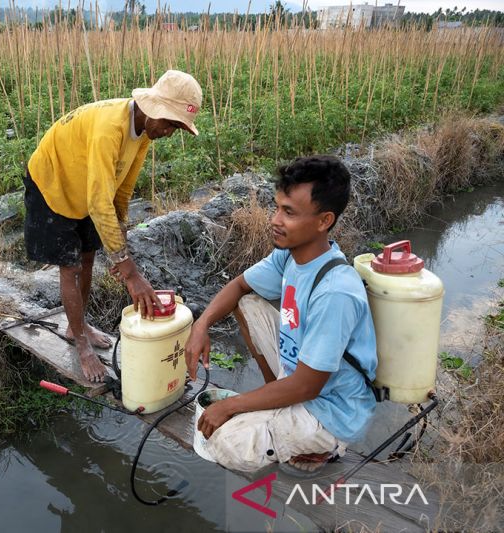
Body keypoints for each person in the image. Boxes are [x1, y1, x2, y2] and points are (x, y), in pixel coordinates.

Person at [184, 155, 378, 474]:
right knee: (246, 301)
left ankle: (320, 449)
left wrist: (230, 406)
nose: (275, 219)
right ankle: (275, 403)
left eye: (288, 212)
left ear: (323, 221)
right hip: (301, 376)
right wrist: (200, 325)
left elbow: (307, 387)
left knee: (221, 442)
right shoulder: (288, 257)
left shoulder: (335, 291)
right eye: (276, 207)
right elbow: (237, 286)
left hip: (330, 411)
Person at [25, 70, 203, 383]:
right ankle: (80, 344)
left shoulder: (145, 133)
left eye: (176, 127)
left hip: (89, 188)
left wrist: (120, 243)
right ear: (152, 107)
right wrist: (130, 272)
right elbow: (98, 203)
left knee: (89, 256)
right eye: (170, 122)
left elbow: (121, 191)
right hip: (53, 183)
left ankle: (76, 325)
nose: (169, 132)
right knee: (71, 266)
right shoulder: (110, 127)